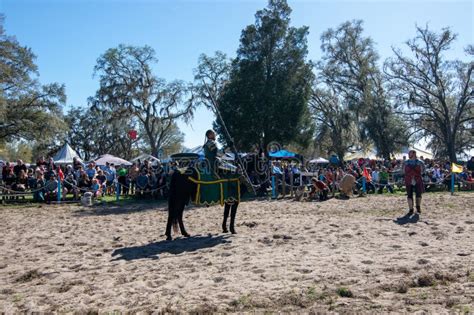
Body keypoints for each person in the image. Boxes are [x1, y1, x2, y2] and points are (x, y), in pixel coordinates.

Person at [403, 150, 425, 215]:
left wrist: (416, 174)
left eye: (410, 153)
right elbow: (403, 171)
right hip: (408, 180)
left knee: (418, 194)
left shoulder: (420, 162)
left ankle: (418, 207)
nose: (409, 154)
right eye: (409, 153)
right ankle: (411, 209)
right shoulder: (405, 162)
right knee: (409, 195)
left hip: (417, 179)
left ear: (414, 154)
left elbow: (423, 170)